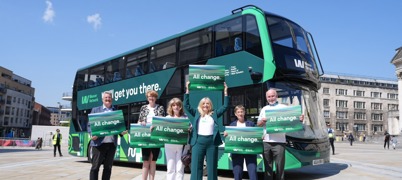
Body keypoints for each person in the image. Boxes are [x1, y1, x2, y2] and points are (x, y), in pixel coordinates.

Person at [184, 81, 229, 180]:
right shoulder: (196, 113)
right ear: (200, 105)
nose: (205, 105)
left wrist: (225, 92)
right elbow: (186, 106)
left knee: (212, 168)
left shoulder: (215, 113)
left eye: (207, 103)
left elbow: (225, 107)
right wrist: (187, 90)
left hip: (211, 143)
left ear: (210, 105)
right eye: (203, 103)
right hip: (198, 142)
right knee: (196, 168)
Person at [257, 89, 304, 180]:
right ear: (266, 98)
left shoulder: (283, 107)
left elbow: (293, 119)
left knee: (280, 167)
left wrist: (299, 119)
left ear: (276, 96)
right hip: (266, 141)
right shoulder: (264, 109)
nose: (271, 98)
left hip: (279, 142)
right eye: (269, 97)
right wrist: (262, 121)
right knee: (267, 167)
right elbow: (258, 124)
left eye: (272, 96)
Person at [88, 91, 128, 180]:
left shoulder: (116, 111)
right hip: (98, 144)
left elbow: (118, 127)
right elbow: (89, 125)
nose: (107, 99)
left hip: (111, 144)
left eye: (109, 98)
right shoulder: (96, 110)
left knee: (108, 168)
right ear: (102, 99)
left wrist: (121, 132)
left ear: (112, 99)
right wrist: (92, 134)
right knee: (95, 167)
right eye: (106, 97)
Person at [138, 90, 165, 180]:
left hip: (155, 136)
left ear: (156, 98)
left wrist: (155, 123)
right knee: (146, 161)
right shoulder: (143, 108)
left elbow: (162, 120)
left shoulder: (160, 108)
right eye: (150, 96)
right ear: (147, 98)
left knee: (153, 161)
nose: (151, 98)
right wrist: (141, 122)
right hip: (145, 136)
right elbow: (139, 121)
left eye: (153, 96)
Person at [225, 105, 257, 180]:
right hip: (237, 152)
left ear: (244, 112)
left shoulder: (251, 124)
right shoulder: (232, 126)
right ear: (235, 114)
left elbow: (256, 136)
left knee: (253, 172)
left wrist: (260, 137)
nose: (240, 113)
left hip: (250, 152)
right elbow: (230, 138)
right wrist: (226, 134)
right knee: (237, 173)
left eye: (242, 112)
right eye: (238, 112)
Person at [165, 97, 188, 180]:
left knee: (180, 169)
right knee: (170, 168)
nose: (176, 107)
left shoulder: (185, 118)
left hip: (181, 147)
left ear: (180, 106)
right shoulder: (167, 118)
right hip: (169, 146)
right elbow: (161, 130)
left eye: (178, 105)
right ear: (171, 107)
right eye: (173, 105)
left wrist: (189, 129)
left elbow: (191, 128)